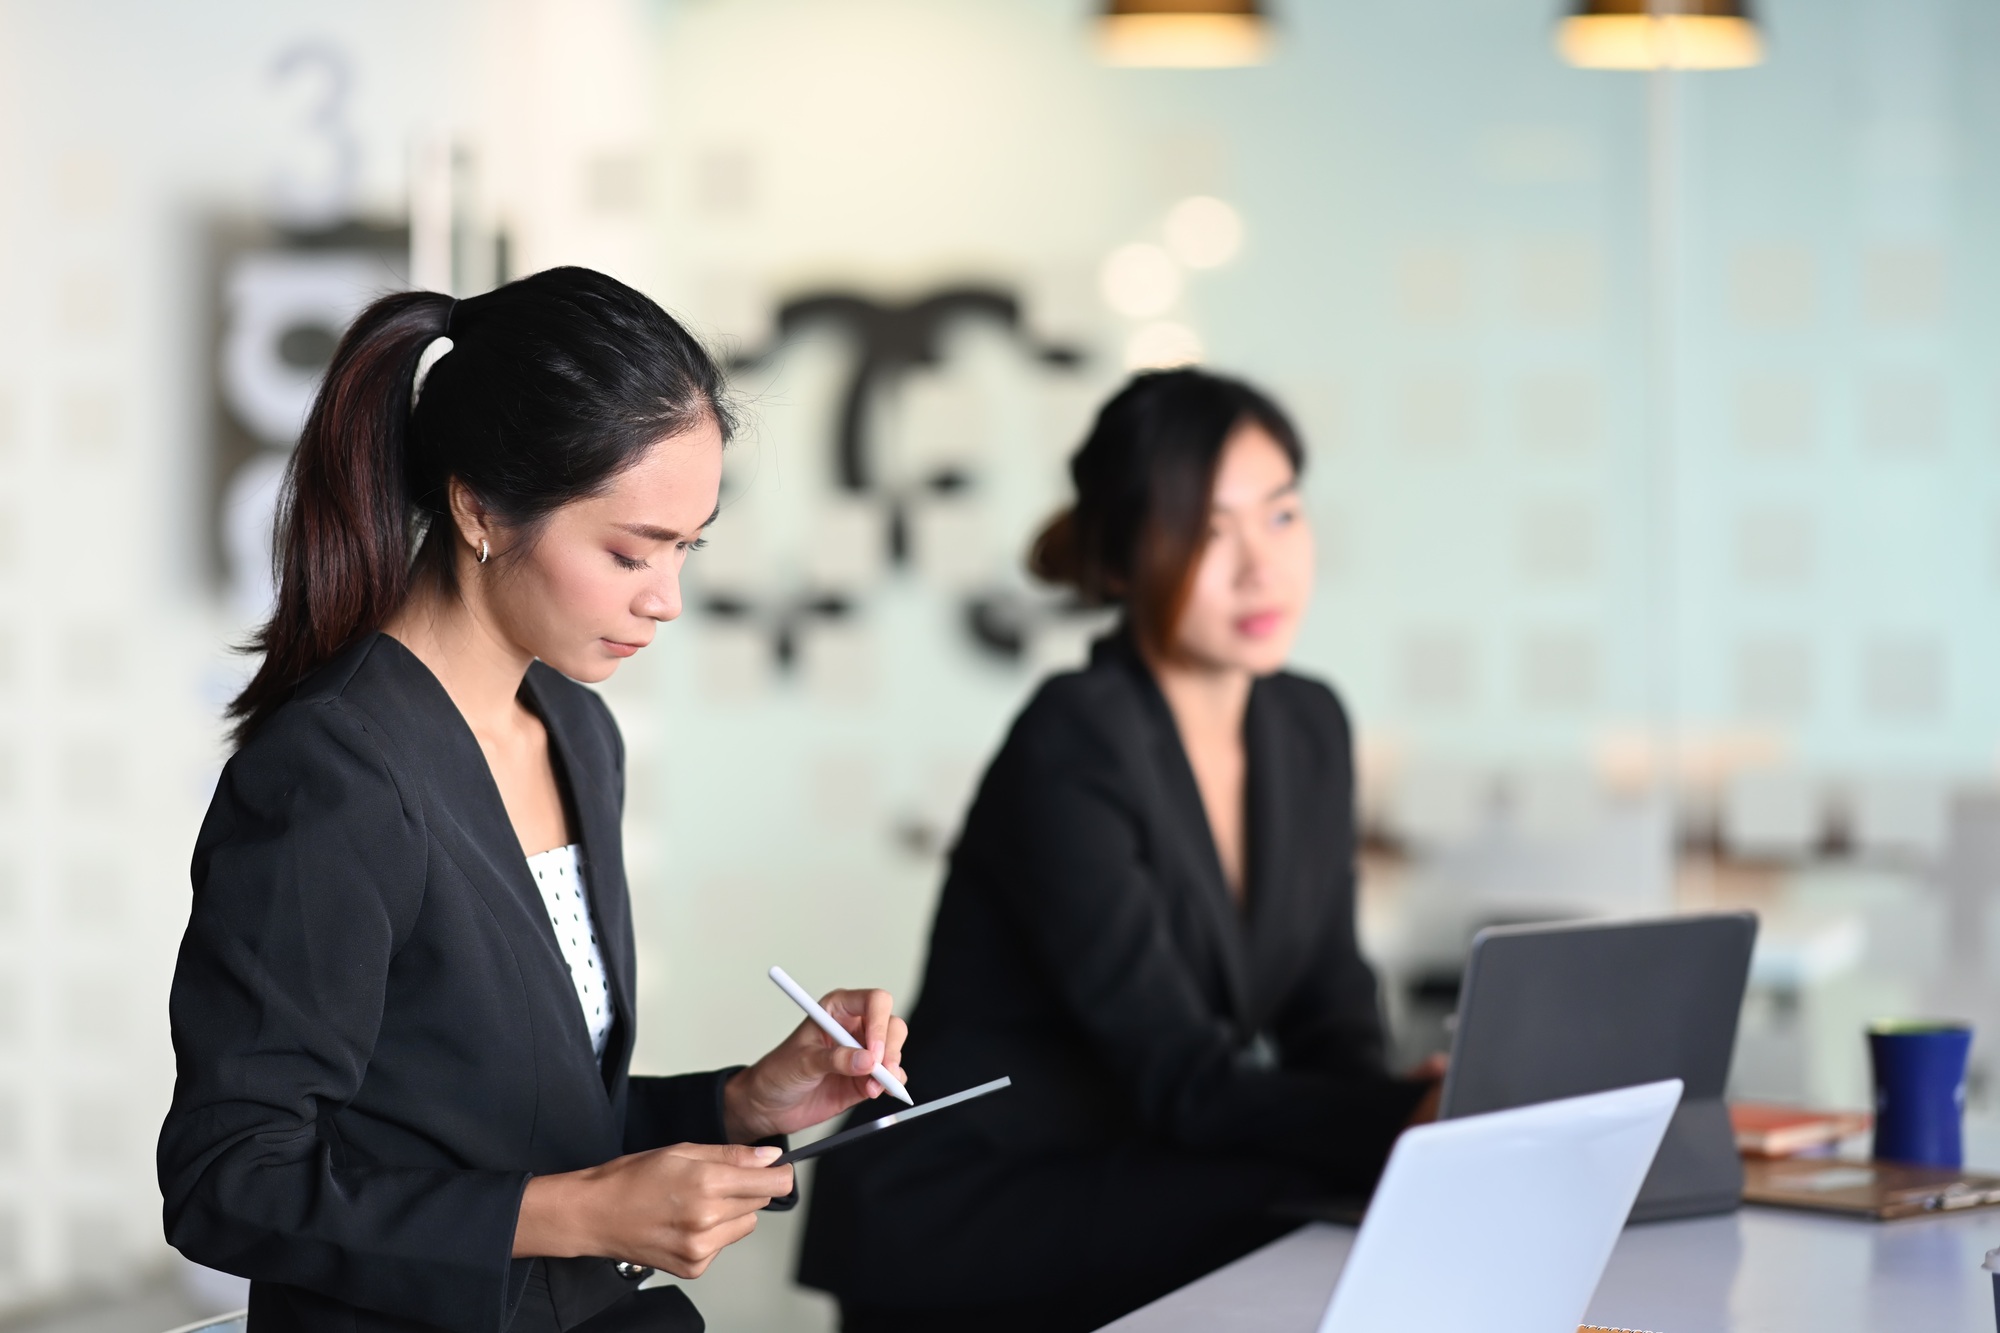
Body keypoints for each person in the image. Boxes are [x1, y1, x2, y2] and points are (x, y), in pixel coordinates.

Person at [157, 267, 909, 1333]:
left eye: (685, 549)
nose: (667, 599)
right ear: (476, 506)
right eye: (628, 552)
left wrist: (742, 1102)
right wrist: (577, 1214)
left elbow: (512, 1116)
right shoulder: (333, 774)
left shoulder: (572, 730)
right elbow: (228, 1179)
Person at [799, 368, 1441, 1332]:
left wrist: (1418, 1107)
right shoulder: (1076, 736)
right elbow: (1179, 1075)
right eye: (1208, 530)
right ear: (1124, 558)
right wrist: (1396, 1120)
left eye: (1280, 516)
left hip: (1145, 1179)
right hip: (980, 1208)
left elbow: (1330, 1018)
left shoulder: (1308, 725)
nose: (1258, 567)